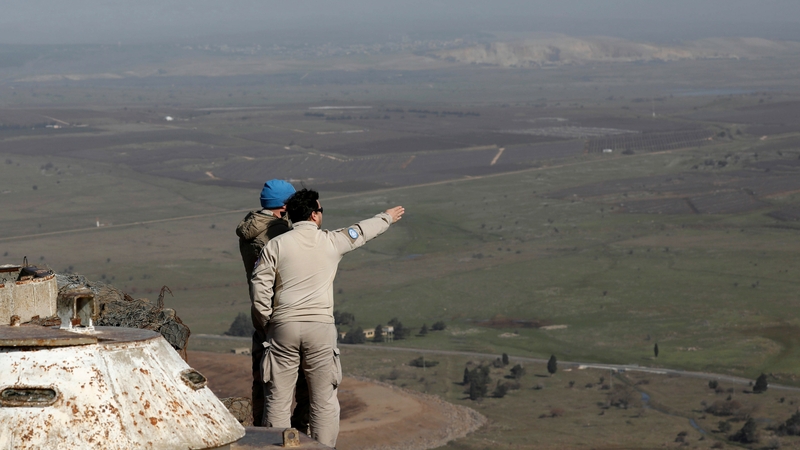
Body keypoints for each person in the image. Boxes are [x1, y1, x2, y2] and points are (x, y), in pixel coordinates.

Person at [250, 188, 403, 447]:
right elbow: (361, 231)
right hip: (320, 329)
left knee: (277, 398)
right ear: (313, 215)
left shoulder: (275, 245)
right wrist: (386, 217)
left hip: (283, 327)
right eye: (320, 210)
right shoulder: (331, 241)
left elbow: (259, 287)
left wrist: (267, 322)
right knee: (323, 400)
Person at [236, 179, 309, 429]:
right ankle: (299, 438)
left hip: (262, 317)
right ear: (285, 207)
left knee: (264, 384)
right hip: (283, 317)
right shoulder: (277, 233)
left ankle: (263, 437)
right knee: (302, 388)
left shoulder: (252, 226)